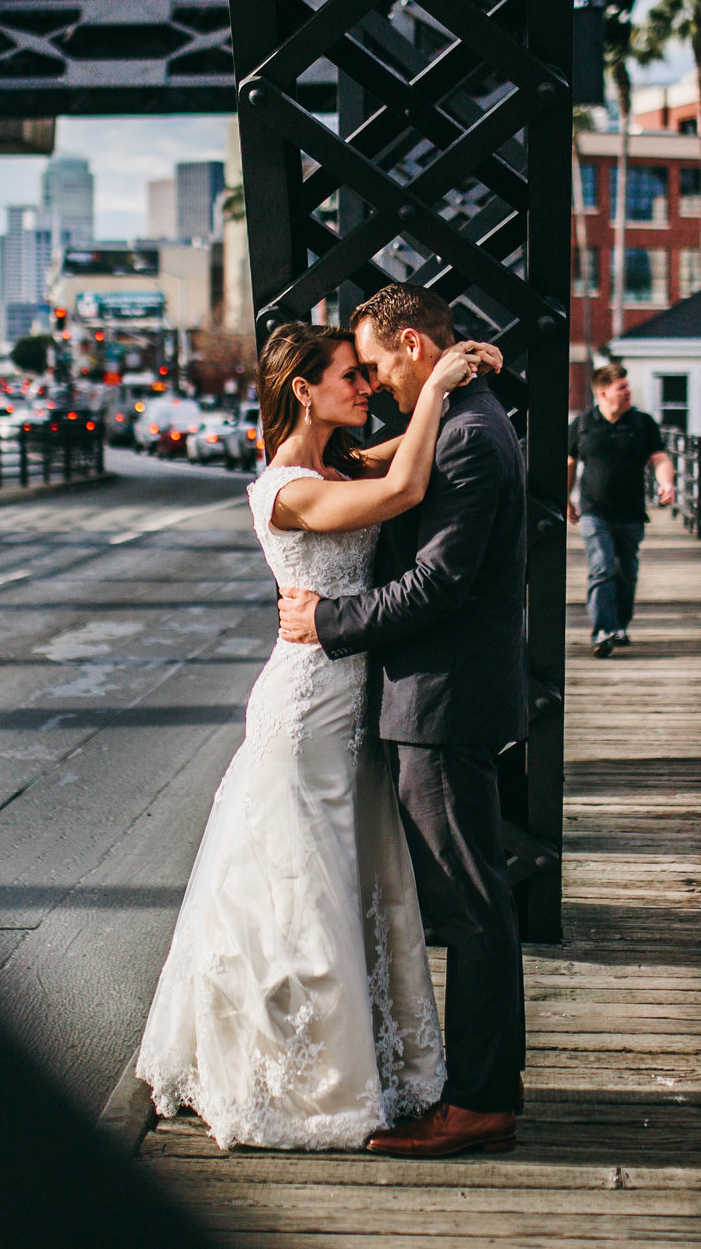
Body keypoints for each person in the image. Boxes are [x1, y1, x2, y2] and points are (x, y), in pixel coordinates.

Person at [134, 320, 503, 1150]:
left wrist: (467, 366)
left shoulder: (338, 462)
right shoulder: (285, 490)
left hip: (354, 708)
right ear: (304, 388)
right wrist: (440, 383)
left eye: (369, 374)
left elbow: (410, 449)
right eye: (350, 375)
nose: (367, 386)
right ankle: (301, 1080)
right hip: (304, 708)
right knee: (298, 895)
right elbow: (407, 489)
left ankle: (367, 1065)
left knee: (351, 886)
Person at [275, 284, 531, 1160]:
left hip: (442, 698)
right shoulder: (464, 417)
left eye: (381, 366)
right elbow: (382, 470)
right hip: (440, 693)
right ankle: (476, 1087)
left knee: (471, 904)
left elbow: (437, 584)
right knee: (469, 896)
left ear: (415, 346)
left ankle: (482, 1101)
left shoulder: (464, 438)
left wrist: (329, 623)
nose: (377, 384)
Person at [566, 363, 676, 657]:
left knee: (626, 573)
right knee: (602, 567)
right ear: (602, 392)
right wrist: (565, 499)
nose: (629, 393)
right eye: (622, 388)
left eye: (628, 387)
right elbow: (569, 464)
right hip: (594, 511)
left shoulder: (643, 423)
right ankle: (603, 630)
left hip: (631, 514)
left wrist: (667, 484)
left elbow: (660, 458)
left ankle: (620, 624)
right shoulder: (583, 424)